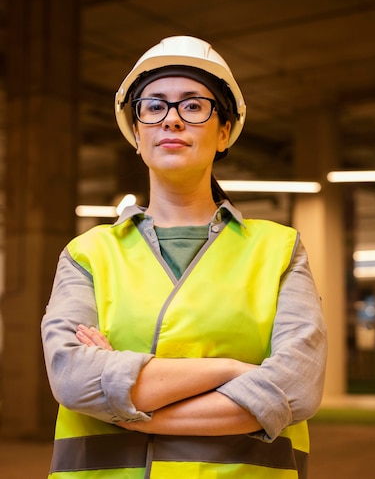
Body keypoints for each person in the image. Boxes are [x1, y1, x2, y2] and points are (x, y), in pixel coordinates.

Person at [41, 35, 327, 479]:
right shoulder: (88, 253)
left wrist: (124, 405)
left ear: (225, 131)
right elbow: (74, 380)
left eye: (193, 106)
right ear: (136, 132)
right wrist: (231, 370)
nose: (171, 120)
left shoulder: (281, 250)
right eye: (154, 106)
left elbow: (296, 387)